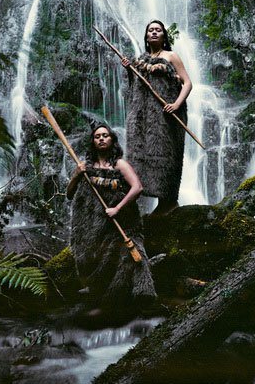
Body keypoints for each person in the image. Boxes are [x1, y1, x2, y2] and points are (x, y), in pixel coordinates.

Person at [66, 123, 156, 309]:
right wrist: (76, 175)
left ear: (112, 140)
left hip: (123, 221)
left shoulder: (119, 164)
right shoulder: (86, 167)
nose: (101, 138)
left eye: (105, 135)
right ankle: (99, 295)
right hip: (95, 225)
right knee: (97, 258)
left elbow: (137, 187)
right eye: (97, 136)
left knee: (132, 255)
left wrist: (118, 208)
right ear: (93, 141)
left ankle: (140, 297)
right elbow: (70, 194)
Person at [122, 19, 193, 215]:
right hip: (144, 117)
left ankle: (168, 201)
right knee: (142, 155)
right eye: (150, 30)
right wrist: (130, 70)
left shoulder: (171, 56)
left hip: (166, 114)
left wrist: (176, 104)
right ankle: (145, 198)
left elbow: (187, 83)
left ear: (164, 36)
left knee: (166, 156)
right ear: (146, 36)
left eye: (158, 30)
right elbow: (135, 88)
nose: (154, 32)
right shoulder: (141, 59)